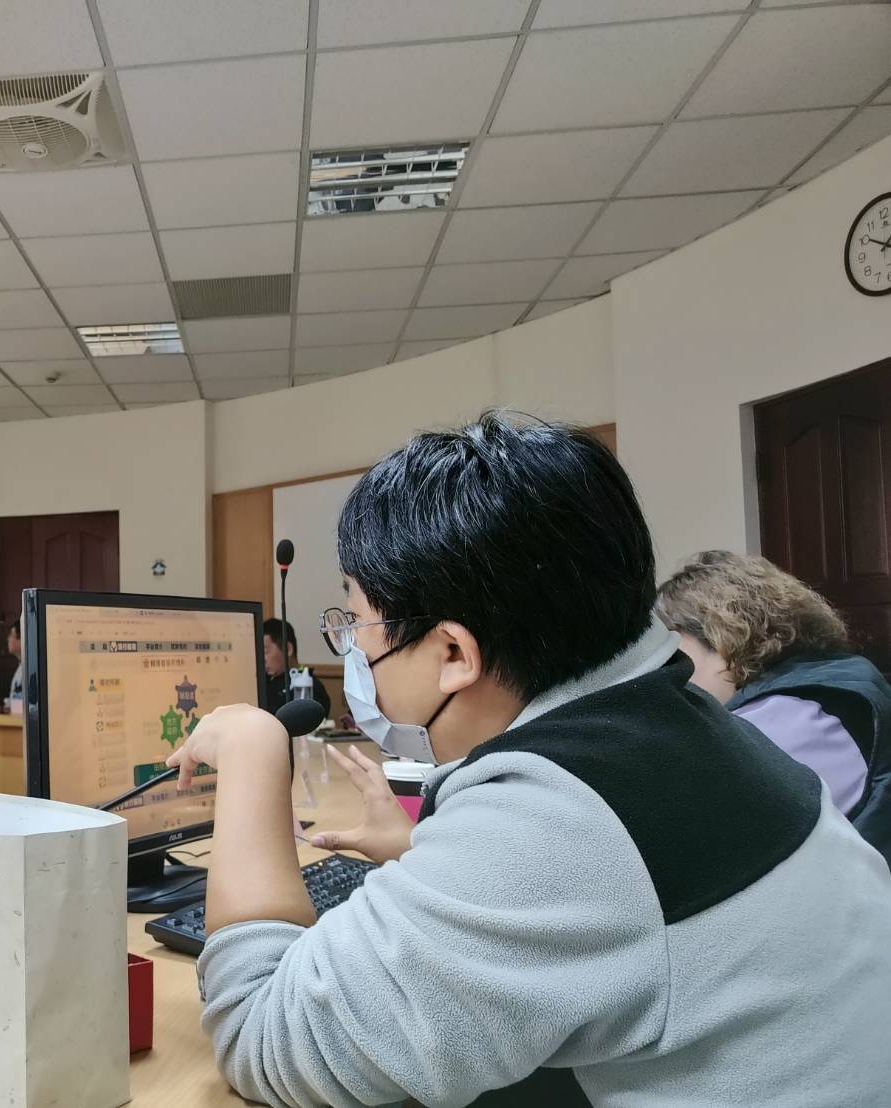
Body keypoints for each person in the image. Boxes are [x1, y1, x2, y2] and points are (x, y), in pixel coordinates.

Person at [166, 412, 891, 1107]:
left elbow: (266, 1037)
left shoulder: (561, 814)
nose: (354, 645)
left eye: (356, 621)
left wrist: (255, 747)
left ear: (454, 652)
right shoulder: (680, 731)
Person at [657, 550, 891, 864]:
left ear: (721, 637)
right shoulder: (832, 679)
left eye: (674, 651)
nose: (671, 672)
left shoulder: (795, 716)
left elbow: (701, 836)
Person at [261, 618, 331, 717]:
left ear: (288, 649)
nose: (261, 658)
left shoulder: (309, 687)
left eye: (265, 651)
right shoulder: (264, 683)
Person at [7, 619, 24, 704]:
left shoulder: (28, 670)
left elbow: (21, 707)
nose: (8, 639)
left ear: (21, 639)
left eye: (11, 635)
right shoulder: (21, 667)